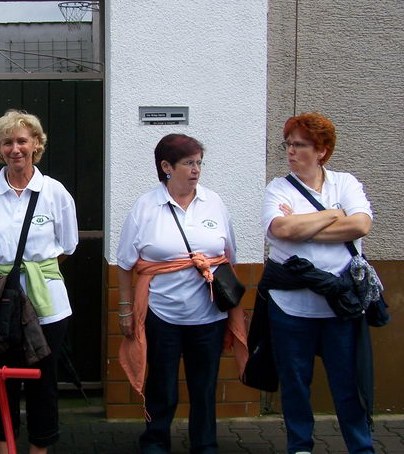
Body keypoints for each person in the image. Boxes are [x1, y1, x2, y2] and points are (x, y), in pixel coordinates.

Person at [116, 134, 247, 454]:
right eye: (188, 163)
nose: (196, 169)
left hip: (209, 317)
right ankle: (156, 442)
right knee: (162, 386)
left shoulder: (214, 202)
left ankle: (205, 445)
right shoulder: (145, 206)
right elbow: (124, 263)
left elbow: (229, 254)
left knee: (204, 387)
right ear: (166, 167)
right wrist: (125, 309)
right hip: (163, 315)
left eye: (199, 162)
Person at [261, 113, 375, 454]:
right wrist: (333, 213)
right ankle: (300, 446)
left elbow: (360, 226)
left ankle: (361, 447)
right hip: (289, 306)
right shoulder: (278, 188)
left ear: (322, 151)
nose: (291, 152)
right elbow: (282, 231)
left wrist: (303, 223)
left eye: (300, 145)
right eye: (288, 144)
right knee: (295, 383)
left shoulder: (346, 183)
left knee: (347, 383)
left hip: (340, 306)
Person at [0, 109, 78, 454]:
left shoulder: (54, 192)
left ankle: (38, 449)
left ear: (36, 144)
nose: (15, 148)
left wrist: (33, 272)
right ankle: (5, 449)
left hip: (48, 305)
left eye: (22, 140)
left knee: (43, 384)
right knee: (0, 380)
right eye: (7, 142)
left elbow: (68, 245)